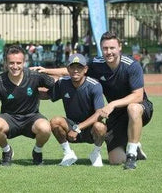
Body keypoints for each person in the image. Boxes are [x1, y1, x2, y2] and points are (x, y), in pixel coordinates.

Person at [33, 32, 153, 170]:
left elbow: (138, 96)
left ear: (119, 47)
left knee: (132, 108)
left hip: (140, 108)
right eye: (105, 48)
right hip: (117, 114)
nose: (109, 52)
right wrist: (46, 70)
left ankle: (131, 155)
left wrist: (113, 104)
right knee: (116, 160)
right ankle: (135, 146)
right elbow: (73, 70)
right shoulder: (97, 64)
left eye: (112, 48)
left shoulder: (132, 65)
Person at [0, 45, 55, 166]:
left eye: (18, 63)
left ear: (24, 62)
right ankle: (7, 151)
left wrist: (49, 95)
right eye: (11, 63)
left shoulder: (34, 76)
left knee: (45, 128)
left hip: (32, 117)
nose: (15, 66)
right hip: (9, 118)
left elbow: (57, 85)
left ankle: (37, 151)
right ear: (5, 63)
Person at [49, 54, 106, 167]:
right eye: (72, 67)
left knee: (100, 127)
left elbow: (100, 114)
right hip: (71, 126)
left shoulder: (94, 85)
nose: (75, 70)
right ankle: (68, 153)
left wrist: (78, 128)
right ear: (67, 69)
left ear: (85, 69)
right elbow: (47, 95)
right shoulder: (62, 82)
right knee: (55, 121)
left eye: (79, 67)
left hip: (90, 128)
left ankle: (96, 153)